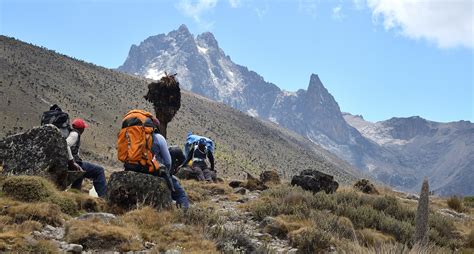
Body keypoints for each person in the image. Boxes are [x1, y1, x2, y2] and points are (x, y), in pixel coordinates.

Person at [122, 115, 189, 209]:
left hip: (132, 167)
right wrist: (167, 174)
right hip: (153, 170)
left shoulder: (133, 137)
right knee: (180, 194)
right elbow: (168, 161)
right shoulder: (159, 138)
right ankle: (184, 214)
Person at [66, 118, 107, 198]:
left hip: (74, 163)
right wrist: (72, 162)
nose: (84, 129)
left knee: (81, 173)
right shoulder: (75, 134)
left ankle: (75, 195)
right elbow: (65, 144)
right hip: (75, 163)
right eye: (83, 128)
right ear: (81, 128)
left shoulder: (71, 133)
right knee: (99, 170)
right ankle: (103, 197)